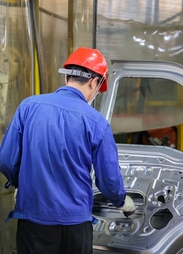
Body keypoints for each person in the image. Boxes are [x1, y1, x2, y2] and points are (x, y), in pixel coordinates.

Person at [0, 47, 135, 254]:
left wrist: (25, 182)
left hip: (33, 220)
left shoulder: (28, 107)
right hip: (75, 225)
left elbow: (6, 160)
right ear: (93, 82)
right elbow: (108, 180)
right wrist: (122, 201)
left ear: (67, 78)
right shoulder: (97, 122)